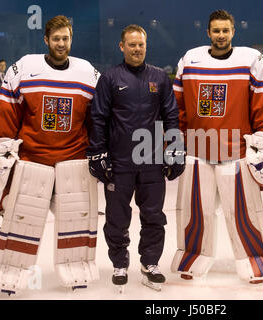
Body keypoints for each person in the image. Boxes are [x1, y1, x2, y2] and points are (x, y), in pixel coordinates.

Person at [0, 15, 100, 295]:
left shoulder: (87, 73)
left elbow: (98, 119)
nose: (61, 44)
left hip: (73, 160)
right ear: (46, 40)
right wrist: (0, 149)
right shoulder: (25, 67)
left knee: (77, 222)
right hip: (32, 160)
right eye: (56, 39)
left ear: (72, 39)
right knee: (20, 222)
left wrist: (100, 152)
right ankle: (9, 276)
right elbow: (7, 112)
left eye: (66, 38)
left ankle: (76, 272)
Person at [171, 9, 263, 284]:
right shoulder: (190, 60)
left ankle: (254, 263)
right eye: (216, 30)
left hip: (238, 153)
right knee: (195, 213)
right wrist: (174, 143)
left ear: (233, 31)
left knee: (244, 215)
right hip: (197, 151)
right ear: (208, 33)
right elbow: (178, 108)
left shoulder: (251, 61)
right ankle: (192, 259)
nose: (221, 35)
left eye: (225, 30)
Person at [87, 24, 182, 292]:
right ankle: (119, 263)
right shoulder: (110, 78)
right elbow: (98, 117)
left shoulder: (159, 78)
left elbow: (171, 116)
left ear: (145, 46)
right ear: (122, 46)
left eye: (141, 44)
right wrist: (97, 151)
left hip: (151, 159)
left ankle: (150, 262)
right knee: (117, 216)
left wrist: (174, 152)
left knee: (154, 215)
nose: (137, 49)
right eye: (131, 44)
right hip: (119, 162)